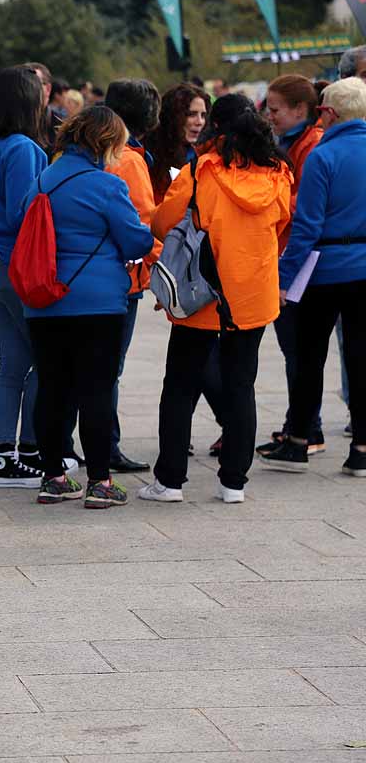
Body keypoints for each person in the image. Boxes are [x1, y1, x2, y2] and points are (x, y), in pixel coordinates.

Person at [140, 94, 292, 504]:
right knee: (242, 385)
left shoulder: (200, 170)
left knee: (180, 386)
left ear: (217, 128)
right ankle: (233, 483)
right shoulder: (279, 173)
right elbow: (282, 228)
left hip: (203, 292)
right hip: (253, 295)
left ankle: (170, 481)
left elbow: (161, 221)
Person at [21, 107, 154, 507]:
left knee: (53, 388)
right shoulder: (107, 185)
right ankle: (100, 481)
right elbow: (135, 242)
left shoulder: (41, 180)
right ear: (106, 143)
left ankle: (53, 477)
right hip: (98, 303)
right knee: (96, 389)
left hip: (45, 302)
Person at [260, 78, 366, 474]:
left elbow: (306, 225)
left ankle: (300, 441)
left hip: (326, 268)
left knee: (308, 357)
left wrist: (284, 277)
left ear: (331, 113)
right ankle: (361, 449)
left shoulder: (324, 155)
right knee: (360, 357)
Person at [0, 66, 51, 487]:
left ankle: (4, 457)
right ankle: (31, 451)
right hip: (15, 261)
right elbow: (26, 212)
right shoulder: (22, 147)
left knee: (12, 364)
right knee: (45, 358)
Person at [145, 83, 223, 453]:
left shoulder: (204, 156)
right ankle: (226, 423)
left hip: (196, 268)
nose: (197, 121)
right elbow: (154, 217)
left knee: (197, 353)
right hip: (170, 264)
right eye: (190, 113)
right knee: (197, 353)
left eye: (203, 115)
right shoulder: (155, 156)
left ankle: (189, 434)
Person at [256, 75, 326, 457]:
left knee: (297, 348)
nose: (269, 115)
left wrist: (272, 201)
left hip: (299, 260)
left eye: (276, 108)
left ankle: (306, 428)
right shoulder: (292, 141)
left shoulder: (310, 145)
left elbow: (306, 203)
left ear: (301, 109)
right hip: (286, 253)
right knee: (293, 348)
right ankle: (299, 424)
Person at [96, 78, 162, 473]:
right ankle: (107, 445)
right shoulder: (130, 159)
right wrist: (158, 265)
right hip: (124, 277)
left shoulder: (93, 151)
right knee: (109, 369)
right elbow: (142, 223)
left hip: (88, 273)